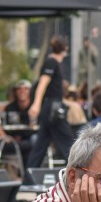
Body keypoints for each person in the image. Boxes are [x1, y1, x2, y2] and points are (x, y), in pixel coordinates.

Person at [26, 35, 73, 169]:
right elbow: (43, 83)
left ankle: (29, 176)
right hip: (52, 108)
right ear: (65, 48)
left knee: (41, 144)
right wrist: (36, 104)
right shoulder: (51, 62)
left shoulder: (53, 62)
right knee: (67, 141)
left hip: (50, 107)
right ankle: (80, 174)